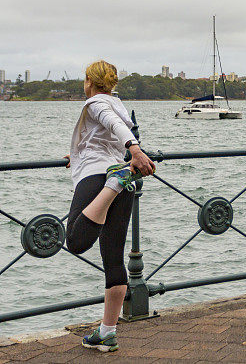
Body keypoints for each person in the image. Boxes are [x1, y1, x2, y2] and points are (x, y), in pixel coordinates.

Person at [64, 60, 155, 353]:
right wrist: (76, 154)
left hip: (99, 178)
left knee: (77, 241)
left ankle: (114, 183)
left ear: (90, 81)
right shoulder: (117, 103)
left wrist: (135, 149)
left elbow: (113, 126)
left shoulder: (95, 103)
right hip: (118, 171)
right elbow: (105, 134)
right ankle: (107, 333)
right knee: (113, 258)